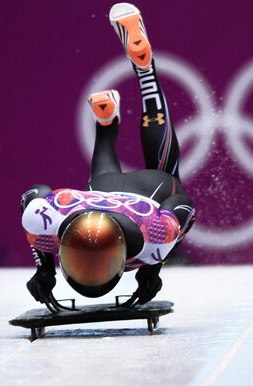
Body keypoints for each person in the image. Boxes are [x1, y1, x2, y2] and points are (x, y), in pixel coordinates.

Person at [20, 2, 196, 304]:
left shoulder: (154, 235)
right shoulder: (49, 222)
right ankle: (113, 112)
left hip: (143, 192)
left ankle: (139, 77)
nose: (90, 269)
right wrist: (153, 268)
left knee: (168, 176)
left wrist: (44, 269)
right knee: (104, 178)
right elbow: (30, 196)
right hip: (102, 191)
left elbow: (185, 206)